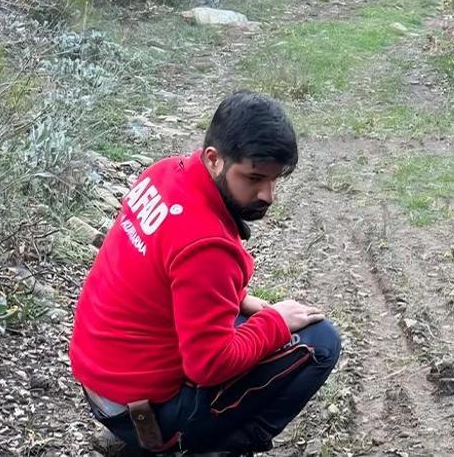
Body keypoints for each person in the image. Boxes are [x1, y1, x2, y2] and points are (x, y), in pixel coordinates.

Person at [69, 91, 340, 456]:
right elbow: (208, 366)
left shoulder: (163, 173)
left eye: (275, 180)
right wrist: (275, 321)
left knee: (245, 325)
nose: (268, 194)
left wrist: (240, 300)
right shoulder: (206, 246)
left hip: (103, 382)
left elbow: (160, 269)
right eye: (254, 177)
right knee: (320, 341)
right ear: (214, 159)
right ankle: (207, 447)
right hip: (141, 413)